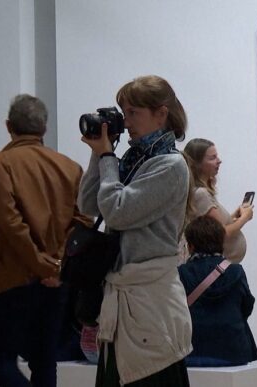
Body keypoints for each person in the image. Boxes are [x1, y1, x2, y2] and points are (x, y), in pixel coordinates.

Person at [78, 75, 193, 386]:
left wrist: (106, 158)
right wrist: (99, 154)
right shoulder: (132, 158)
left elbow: (118, 211)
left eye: (133, 113)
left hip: (150, 300)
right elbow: (88, 204)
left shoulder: (170, 166)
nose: (126, 122)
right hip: (122, 296)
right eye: (123, 112)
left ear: (161, 113)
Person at [0, 94, 86, 387]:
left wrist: (40, 266)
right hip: (57, 280)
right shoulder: (69, 166)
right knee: (44, 360)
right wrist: (56, 266)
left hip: (16, 276)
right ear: (44, 128)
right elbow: (82, 221)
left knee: (1, 361)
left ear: (8, 126)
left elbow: (10, 224)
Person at [178, 216, 257, 367]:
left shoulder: (181, 273)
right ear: (221, 243)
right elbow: (247, 306)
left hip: (192, 351)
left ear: (190, 246)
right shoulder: (236, 271)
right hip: (234, 350)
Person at [183, 138, 253, 263]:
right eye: (212, 158)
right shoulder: (201, 194)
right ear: (197, 164)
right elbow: (221, 233)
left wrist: (234, 216)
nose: (219, 161)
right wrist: (244, 218)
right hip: (216, 269)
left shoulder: (202, 192)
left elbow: (212, 226)